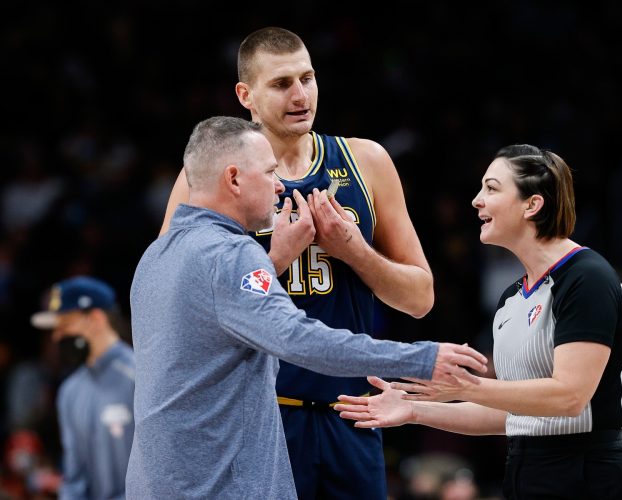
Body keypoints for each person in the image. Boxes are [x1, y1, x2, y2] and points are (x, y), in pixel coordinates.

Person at [127, 116, 486, 499]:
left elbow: (218, 325)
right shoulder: (232, 254)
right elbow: (300, 339)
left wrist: (272, 263)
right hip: (219, 483)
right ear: (233, 179)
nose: (280, 184)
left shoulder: (156, 255)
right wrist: (422, 358)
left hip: (158, 480)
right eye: (268, 173)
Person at [159, 27, 435, 499]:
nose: (301, 94)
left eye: (308, 78)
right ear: (245, 95)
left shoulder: (366, 161)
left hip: (353, 411)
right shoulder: (208, 176)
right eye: (282, 83)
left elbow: (420, 299)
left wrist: (355, 251)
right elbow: (169, 302)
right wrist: (276, 259)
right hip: (260, 416)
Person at [336, 145, 622, 499]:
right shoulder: (511, 299)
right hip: (525, 471)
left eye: (492, 188)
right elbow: (513, 414)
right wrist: (415, 410)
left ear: (532, 204)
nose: (476, 201)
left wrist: (467, 387)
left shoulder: (587, 278)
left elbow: (569, 397)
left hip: (589, 474)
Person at [30, 275, 135, 500]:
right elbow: (74, 476)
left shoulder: (139, 377)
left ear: (96, 318)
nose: (57, 336)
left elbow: (160, 470)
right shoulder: (70, 391)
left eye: (65, 325)